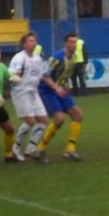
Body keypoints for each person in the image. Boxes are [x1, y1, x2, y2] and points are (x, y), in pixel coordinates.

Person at [35, 32, 85, 161]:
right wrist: (56, 88)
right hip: (47, 90)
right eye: (71, 42)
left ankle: (70, 150)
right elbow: (44, 75)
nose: (74, 44)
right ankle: (40, 148)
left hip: (60, 91)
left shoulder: (73, 58)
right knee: (59, 120)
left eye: (76, 42)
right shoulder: (57, 56)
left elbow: (65, 75)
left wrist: (65, 87)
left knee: (78, 115)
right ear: (66, 43)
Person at [8, 31, 51, 161]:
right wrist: (15, 74)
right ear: (24, 44)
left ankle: (31, 149)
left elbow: (43, 74)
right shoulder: (19, 58)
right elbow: (10, 73)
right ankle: (15, 148)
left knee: (43, 120)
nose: (33, 43)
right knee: (31, 121)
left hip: (33, 91)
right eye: (30, 41)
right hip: (20, 92)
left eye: (34, 41)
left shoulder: (38, 58)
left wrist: (55, 86)